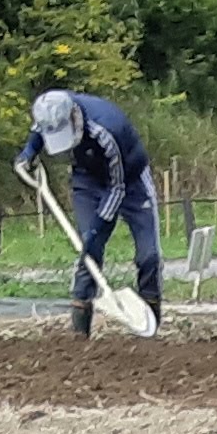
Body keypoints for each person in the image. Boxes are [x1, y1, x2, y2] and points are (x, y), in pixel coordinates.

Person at [21, 86, 159, 336]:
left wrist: (98, 227)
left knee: (148, 254)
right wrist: (28, 152)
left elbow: (117, 189)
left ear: (73, 117)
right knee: (88, 251)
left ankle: (150, 323)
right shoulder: (50, 113)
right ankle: (79, 332)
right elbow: (38, 132)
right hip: (87, 181)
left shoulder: (107, 129)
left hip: (130, 181)